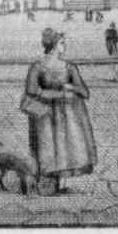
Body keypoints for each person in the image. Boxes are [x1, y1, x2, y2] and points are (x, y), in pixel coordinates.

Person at [22, 28, 97, 195]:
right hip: (45, 114)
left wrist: (70, 86)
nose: (65, 46)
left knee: (63, 149)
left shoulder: (69, 68)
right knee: (47, 148)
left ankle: (55, 186)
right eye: (62, 43)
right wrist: (61, 93)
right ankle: (43, 187)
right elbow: (31, 91)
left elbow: (85, 93)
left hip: (66, 116)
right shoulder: (38, 67)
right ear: (54, 45)